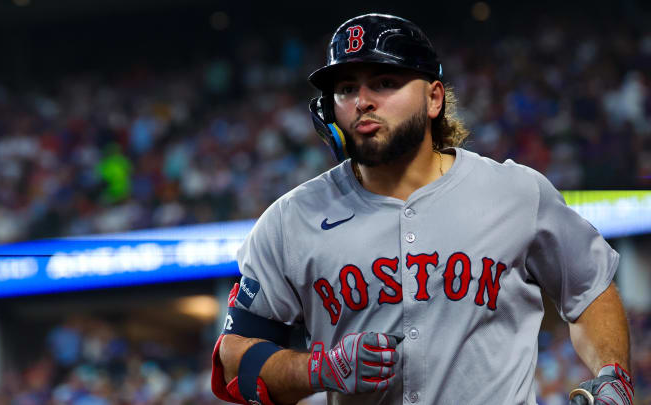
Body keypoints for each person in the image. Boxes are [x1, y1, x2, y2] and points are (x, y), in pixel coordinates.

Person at [210, 13, 633, 405]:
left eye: (385, 82)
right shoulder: (289, 221)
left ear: (434, 99)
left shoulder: (516, 192)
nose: (362, 101)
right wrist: (318, 368)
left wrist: (613, 372)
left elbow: (590, 289)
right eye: (345, 89)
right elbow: (234, 357)